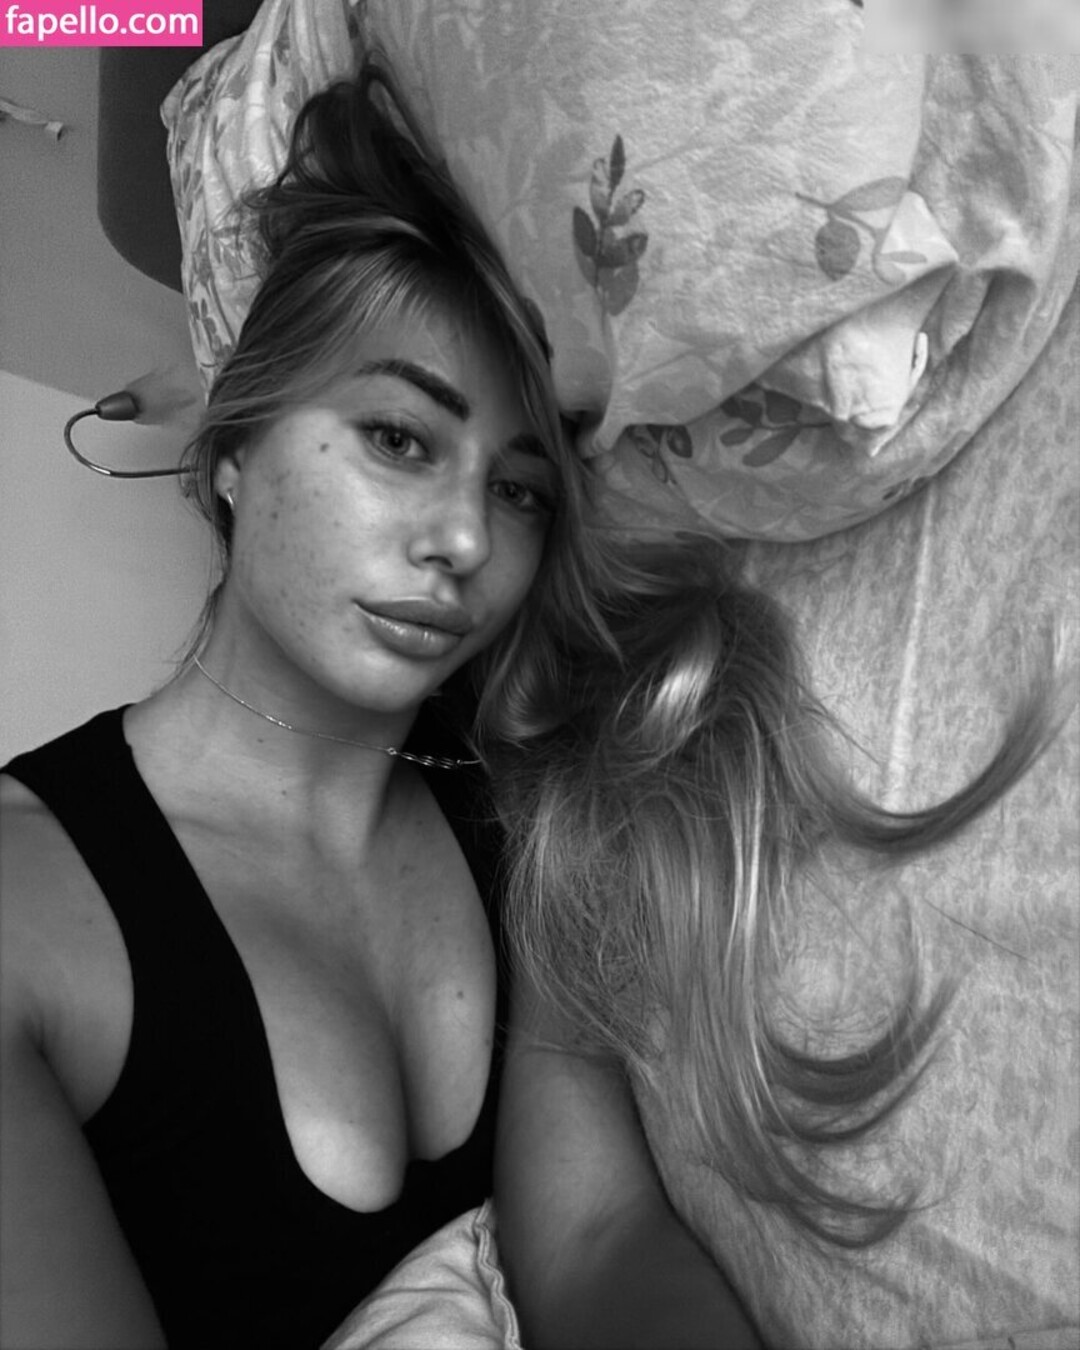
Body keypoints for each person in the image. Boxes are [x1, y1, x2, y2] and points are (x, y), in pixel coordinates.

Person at [0, 56, 1060, 1350]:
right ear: (234, 450)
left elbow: (599, 1242)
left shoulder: (528, 811)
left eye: (519, 490)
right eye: (399, 439)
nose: (463, 539)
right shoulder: (22, 906)